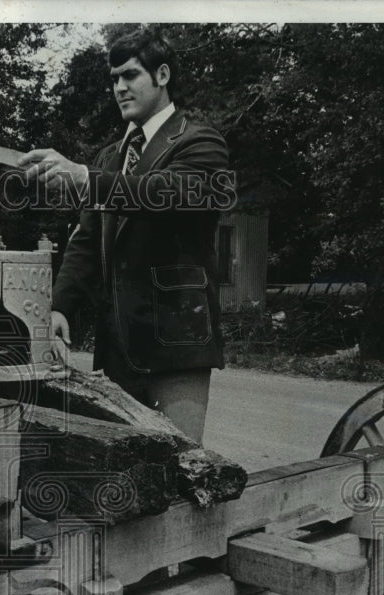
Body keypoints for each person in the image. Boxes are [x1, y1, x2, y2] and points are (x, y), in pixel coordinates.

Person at [19, 27, 232, 443]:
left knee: (181, 470)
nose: (119, 88)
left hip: (177, 343)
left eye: (130, 75)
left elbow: (162, 194)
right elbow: (85, 240)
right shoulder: (110, 157)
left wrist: (84, 178)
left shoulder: (200, 141)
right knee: (121, 476)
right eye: (114, 78)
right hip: (115, 348)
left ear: (163, 75)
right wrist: (60, 306)